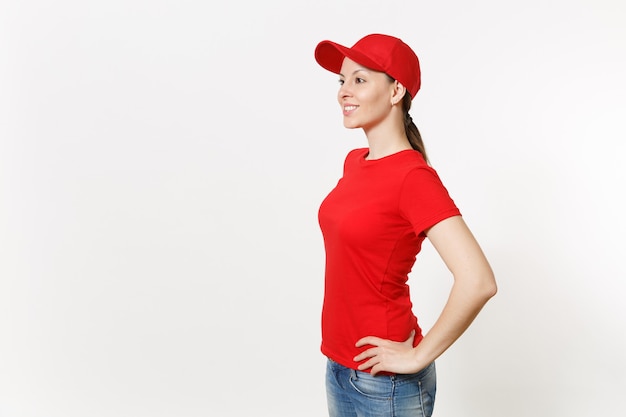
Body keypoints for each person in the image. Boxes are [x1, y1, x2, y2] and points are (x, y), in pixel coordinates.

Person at [314, 33, 497, 417]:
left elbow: (478, 280)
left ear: (396, 90)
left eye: (359, 80)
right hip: (341, 367)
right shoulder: (355, 162)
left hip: (385, 384)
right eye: (342, 81)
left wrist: (417, 356)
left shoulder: (412, 178)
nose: (344, 92)